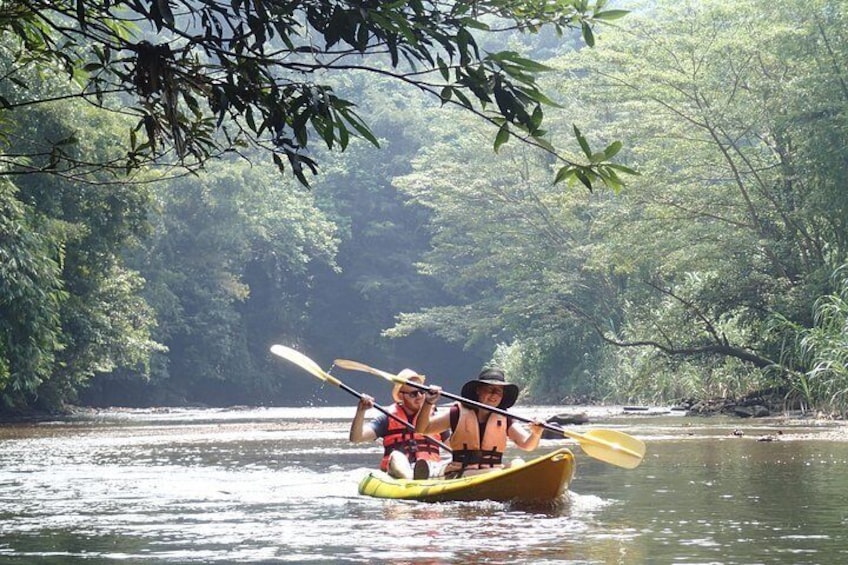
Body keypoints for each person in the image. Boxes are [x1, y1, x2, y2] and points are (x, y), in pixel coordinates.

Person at [414, 367, 544, 479]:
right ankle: (435, 470)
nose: (494, 395)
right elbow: (422, 429)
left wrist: (536, 434)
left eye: (499, 391)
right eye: (490, 389)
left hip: (493, 472)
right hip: (463, 473)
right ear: (478, 390)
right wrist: (428, 402)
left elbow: (528, 445)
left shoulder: (505, 417)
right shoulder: (457, 413)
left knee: (518, 463)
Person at [349, 368, 447, 480]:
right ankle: (412, 477)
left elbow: (455, 445)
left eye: (422, 392)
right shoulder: (387, 418)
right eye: (414, 394)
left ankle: (425, 474)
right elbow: (356, 437)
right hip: (400, 474)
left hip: (431, 469)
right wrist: (361, 411)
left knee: (455, 461)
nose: (419, 396)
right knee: (396, 456)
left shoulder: (435, 418)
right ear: (401, 396)